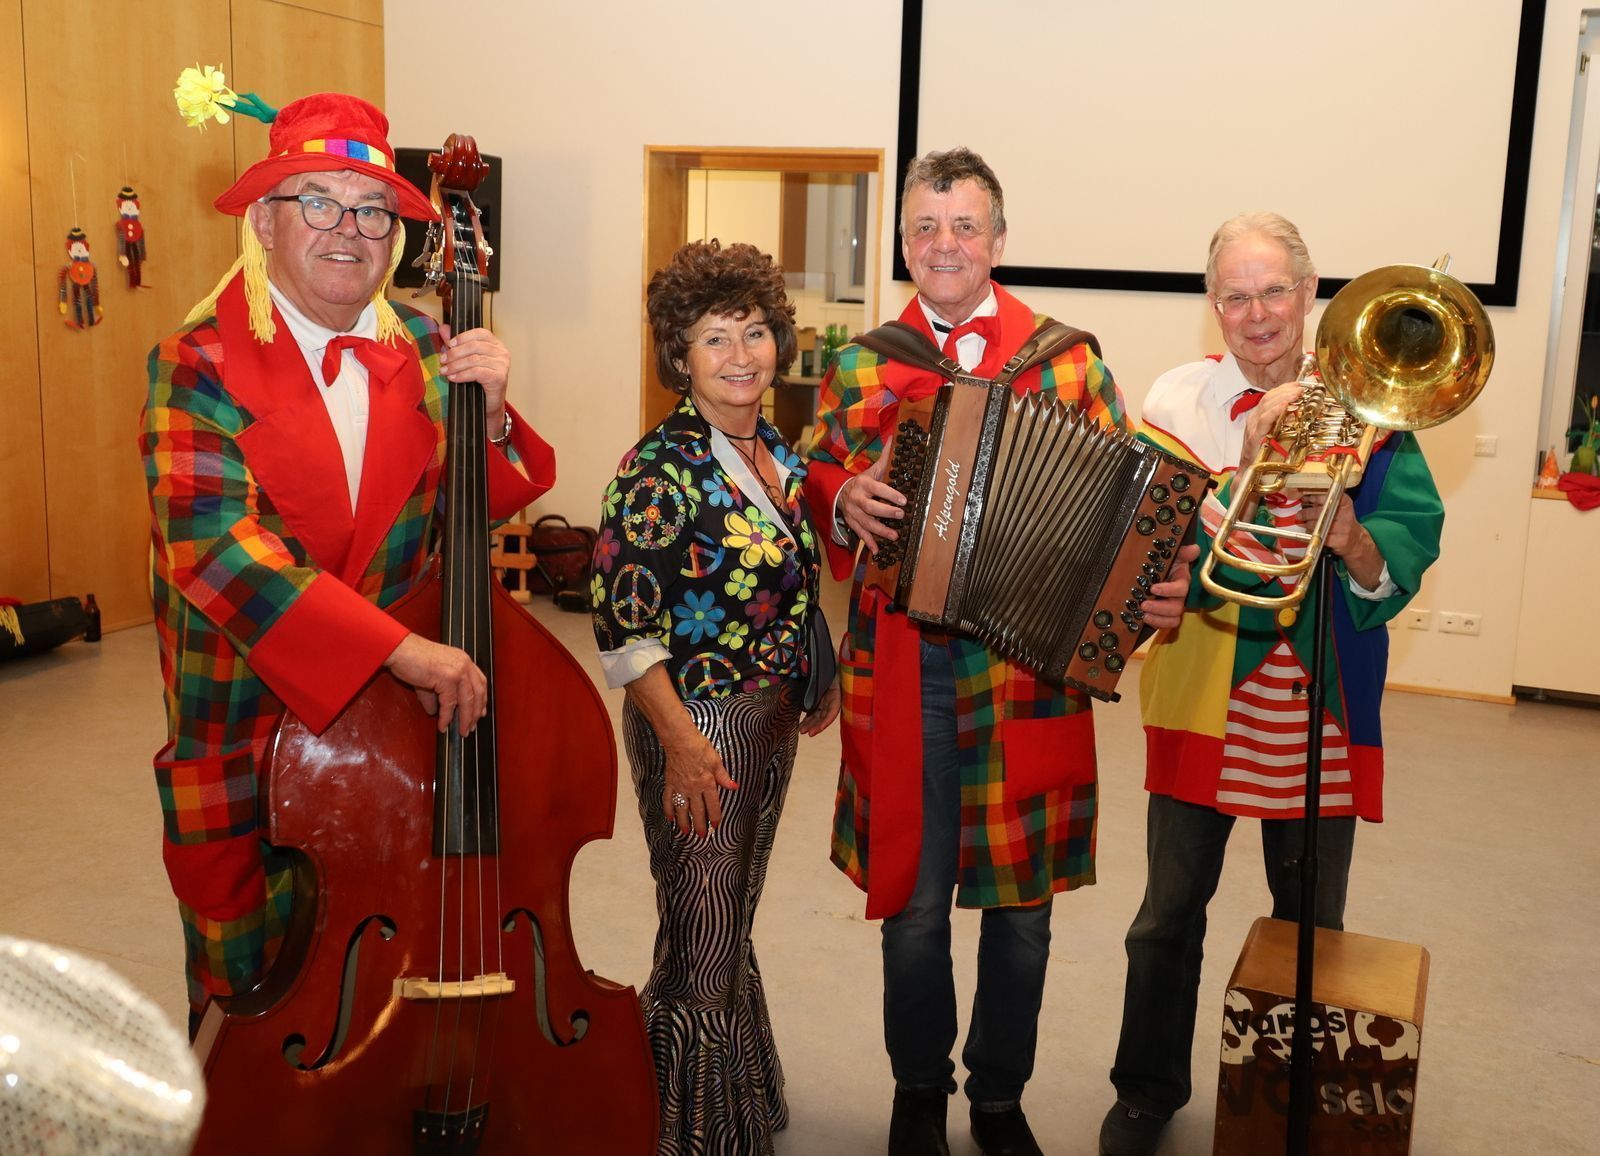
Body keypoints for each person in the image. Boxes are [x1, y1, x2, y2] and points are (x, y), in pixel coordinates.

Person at [805, 147, 1194, 1156]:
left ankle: (997, 1097)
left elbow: (1127, 506)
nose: (945, 244)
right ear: (904, 243)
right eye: (925, 227)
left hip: (1030, 675)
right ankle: (918, 1092)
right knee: (914, 902)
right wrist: (842, 496)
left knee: (1023, 911)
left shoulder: (1069, 360)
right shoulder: (861, 363)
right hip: (903, 668)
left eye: (965, 225)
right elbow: (814, 470)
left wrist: (1155, 583)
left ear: (999, 240)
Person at [140, 93, 553, 1029]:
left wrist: (488, 421)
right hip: (244, 730)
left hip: (387, 737)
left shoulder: (427, 345)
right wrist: (398, 651)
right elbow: (219, 550)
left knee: (380, 973)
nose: (348, 230)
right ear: (264, 222)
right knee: (249, 1001)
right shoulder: (196, 363)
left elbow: (465, 512)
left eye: (372, 211)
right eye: (318, 201)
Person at [1097, 212, 1445, 1156]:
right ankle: (1147, 1089)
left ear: (1310, 292)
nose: (1256, 314)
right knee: (1166, 917)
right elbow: (1144, 538)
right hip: (1202, 689)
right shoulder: (1177, 399)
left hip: (1318, 701)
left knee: (1310, 928)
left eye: (1274, 292)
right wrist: (1245, 472)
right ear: (1214, 305)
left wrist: (1351, 535)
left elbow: (1405, 550)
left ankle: (1291, 1099)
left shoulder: (1375, 403)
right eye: (1236, 296)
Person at [592, 239, 840, 1155]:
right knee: (703, 938)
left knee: (725, 923)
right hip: (697, 724)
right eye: (714, 338)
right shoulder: (657, 471)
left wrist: (814, 668)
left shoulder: (770, 447)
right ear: (680, 356)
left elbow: (791, 575)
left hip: (767, 718)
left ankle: (710, 1098)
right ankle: (690, 1134)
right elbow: (623, 629)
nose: (742, 355)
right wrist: (683, 743)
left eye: (754, 331)